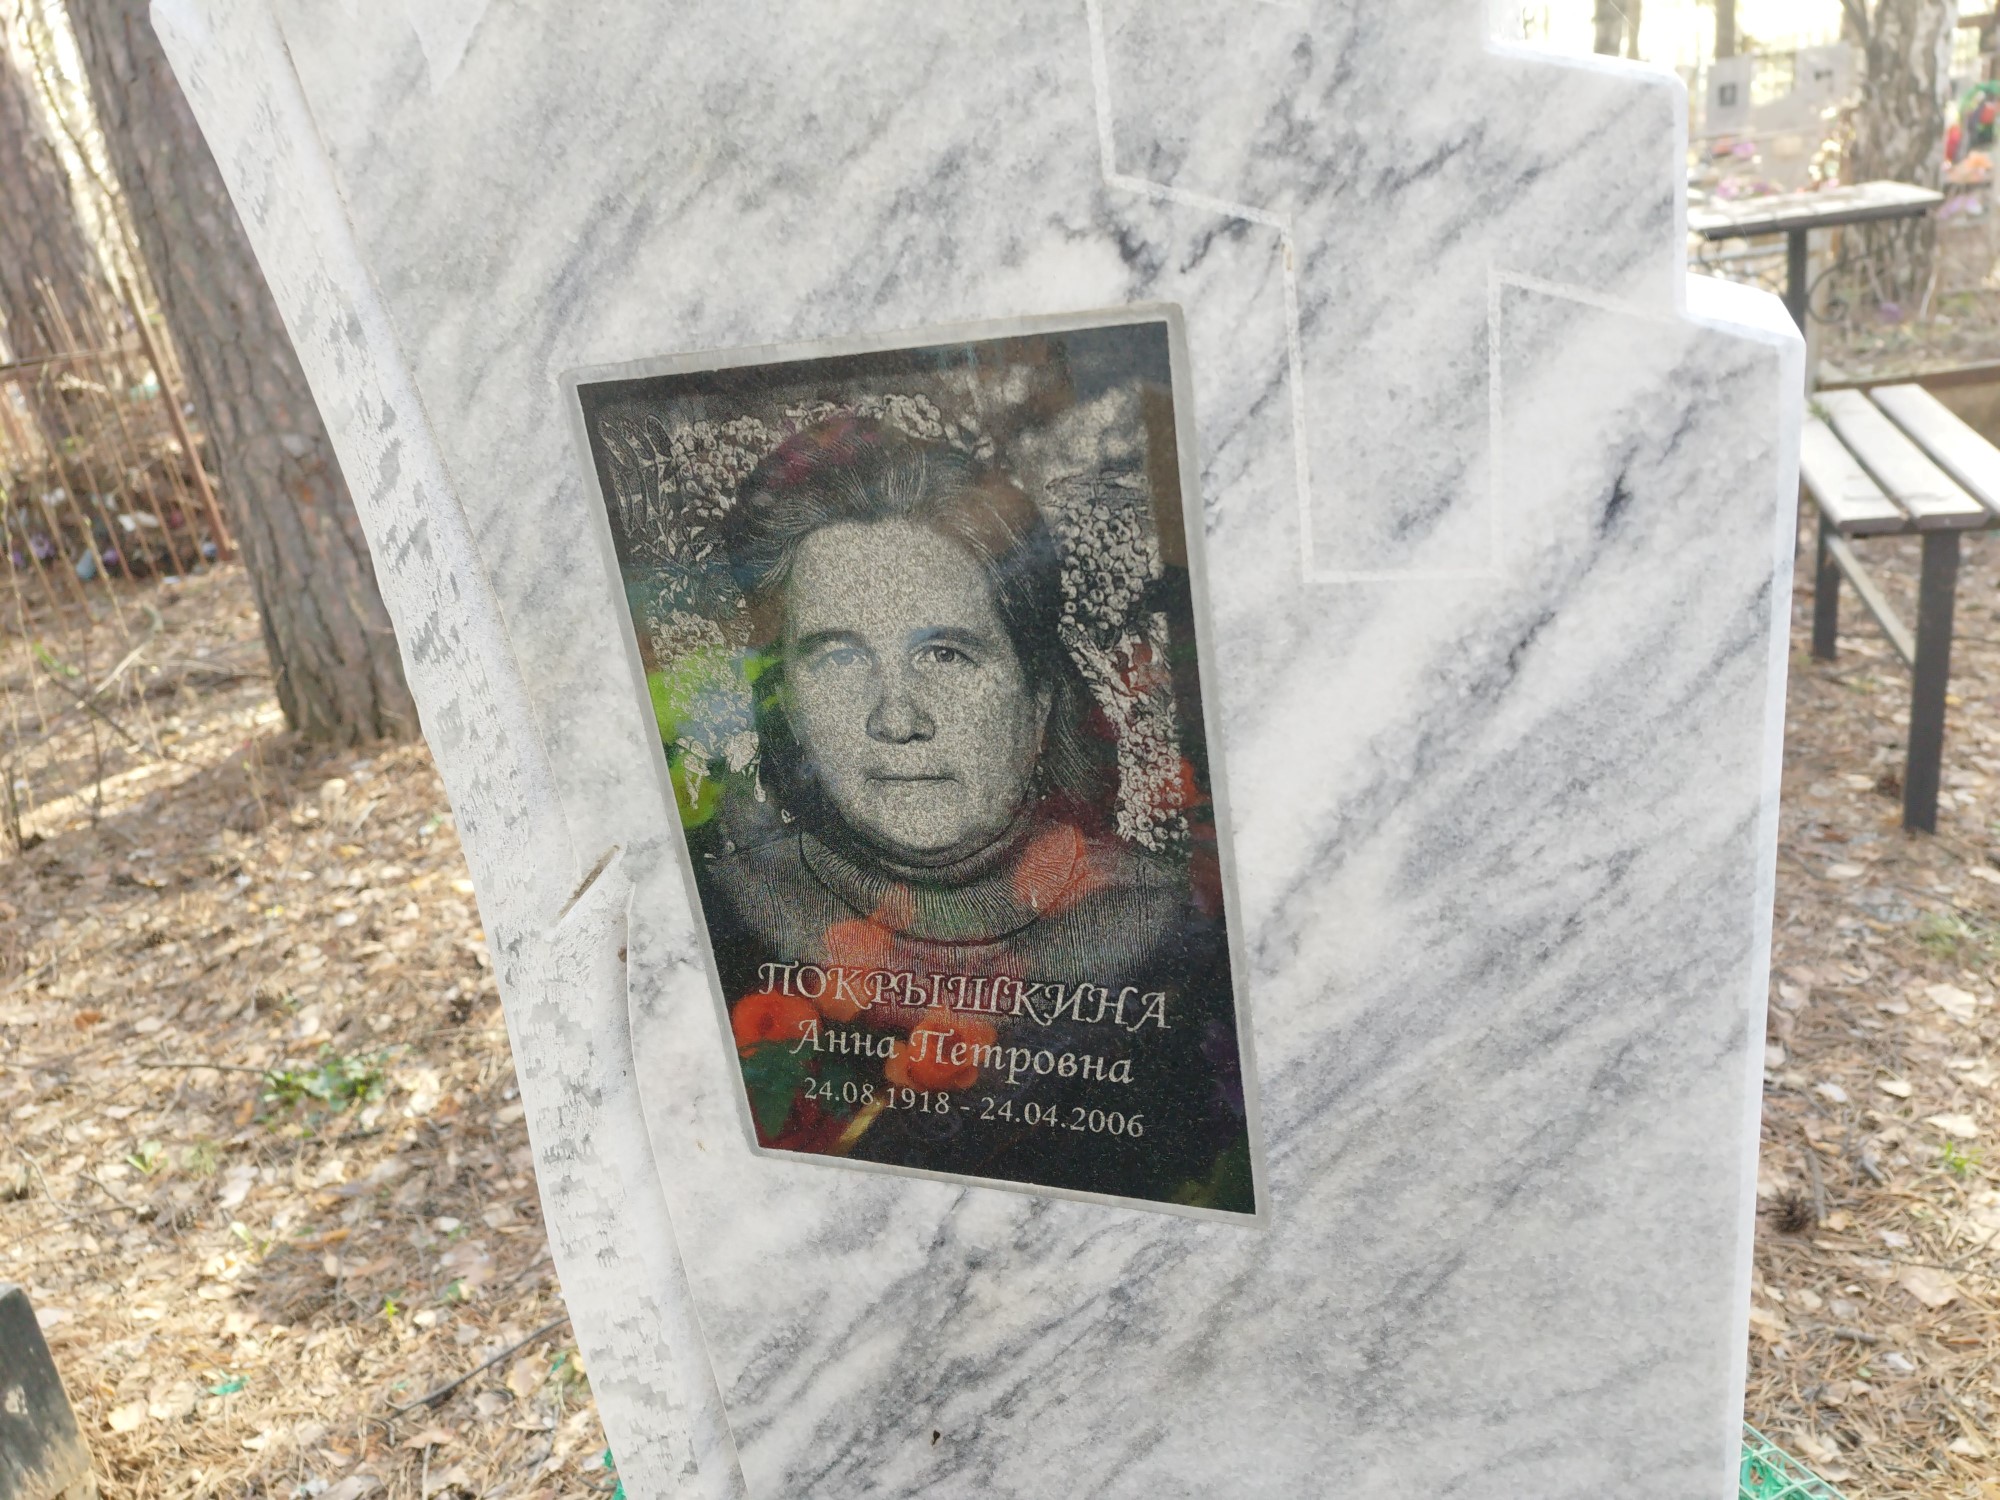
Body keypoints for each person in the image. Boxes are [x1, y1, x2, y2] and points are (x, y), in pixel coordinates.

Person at [696, 416, 1251, 1212]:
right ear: (787, 699)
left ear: (1038, 699)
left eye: (946, 654)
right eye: (840, 657)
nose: (896, 718)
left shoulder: (1169, 944)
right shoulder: (733, 914)